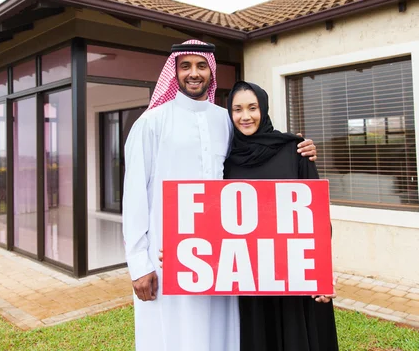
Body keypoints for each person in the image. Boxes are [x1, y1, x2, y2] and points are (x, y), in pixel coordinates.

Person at [122, 40, 317, 351]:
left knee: (221, 335)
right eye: (185, 66)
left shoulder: (224, 120)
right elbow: (133, 197)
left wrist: (300, 149)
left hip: (222, 256)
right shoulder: (151, 123)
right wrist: (138, 263)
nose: (194, 73)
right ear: (175, 72)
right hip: (167, 254)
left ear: (211, 72)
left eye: (201, 66)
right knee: (173, 335)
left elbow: (260, 153)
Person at [224, 80, 338, 351]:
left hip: (294, 272)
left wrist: (323, 271)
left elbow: (318, 217)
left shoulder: (295, 149)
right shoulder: (226, 160)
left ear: (263, 109)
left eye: (252, 107)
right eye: (237, 109)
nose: (245, 116)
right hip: (251, 276)